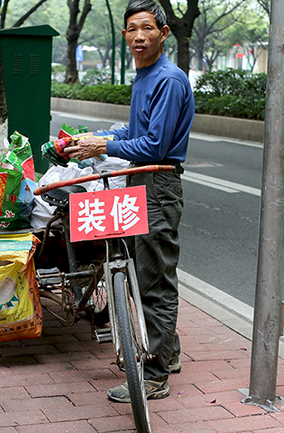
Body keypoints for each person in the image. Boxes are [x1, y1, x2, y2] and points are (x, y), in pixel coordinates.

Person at [65, 0, 195, 403]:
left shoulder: (168, 80)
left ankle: (154, 376)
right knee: (146, 274)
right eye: (132, 29)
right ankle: (169, 353)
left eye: (147, 28)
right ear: (124, 35)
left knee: (154, 283)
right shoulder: (145, 76)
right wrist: (95, 139)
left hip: (157, 182)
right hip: (141, 181)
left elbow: (154, 144)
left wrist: (104, 146)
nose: (139, 36)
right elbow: (136, 131)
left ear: (163, 33)